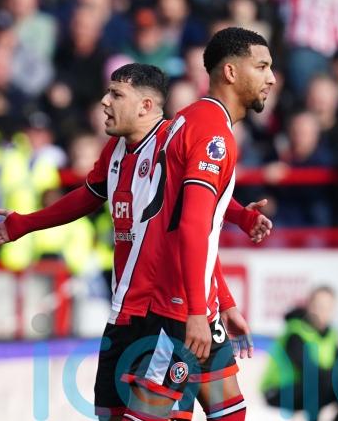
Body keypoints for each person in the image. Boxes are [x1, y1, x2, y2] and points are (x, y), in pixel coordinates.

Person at [0, 63, 272, 421]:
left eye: (116, 94)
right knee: (120, 413)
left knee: (217, 410)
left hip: (172, 308)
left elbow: (199, 219)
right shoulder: (116, 150)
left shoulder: (174, 139)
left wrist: (239, 224)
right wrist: (25, 223)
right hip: (128, 309)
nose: (105, 102)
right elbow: (86, 197)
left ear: (145, 106)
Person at [119, 27, 276, 421]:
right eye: (262, 67)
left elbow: (194, 216)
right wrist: (193, 310)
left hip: (196, 300)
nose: (271, 78)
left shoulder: (192, 117)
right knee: (151, 414)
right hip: (177, 303)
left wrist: (222, 300)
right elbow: (190, 226)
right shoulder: (213, 134)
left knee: (231, 411)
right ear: (231, 72)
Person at [262, 286, 338, 421]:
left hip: (309, 388)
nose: (323, 312)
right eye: (319, 306)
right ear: (309, 306)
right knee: (320, 382)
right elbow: (309, 370)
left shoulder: (332, 335)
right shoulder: (295, 332)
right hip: (278, 391)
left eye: (328, 307)